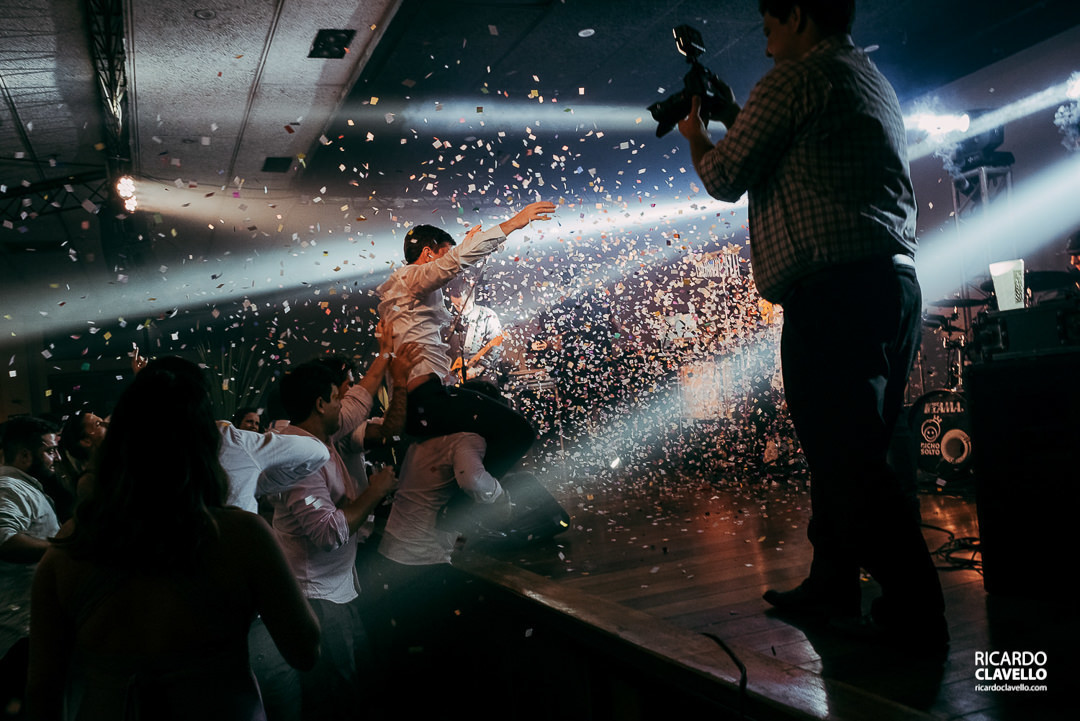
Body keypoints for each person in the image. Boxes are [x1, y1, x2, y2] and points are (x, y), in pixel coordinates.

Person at [677, 0, 946, 652]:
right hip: (889, 285)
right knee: (853, 452)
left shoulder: (793, 78)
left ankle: (916, 611)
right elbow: (796, 151)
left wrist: (696, 134)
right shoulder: (864, 78)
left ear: (797, 15)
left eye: (770, 28)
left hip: (833, 294)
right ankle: (832, 584)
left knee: (846, 460)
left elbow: (726, 176)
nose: (766, 44)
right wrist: (736, 114)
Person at [25, 357, 320, 721]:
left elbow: (42, 691)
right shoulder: (242, 534)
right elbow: (305, 650)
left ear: (117, 443)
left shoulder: (71, 546)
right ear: (206, 444)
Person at [375, 201, 555, 478]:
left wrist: (465, 246)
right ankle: (480, 496)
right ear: (428, 252)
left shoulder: (407, 292)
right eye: (444, 253)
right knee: (519, 432)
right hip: (426, 399)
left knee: (484, 424)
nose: (449, 264)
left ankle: (469, 489)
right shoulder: (410, 277)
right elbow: (452, 264)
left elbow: (452, 262)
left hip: (421, 398)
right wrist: (514, 223)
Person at [263, 361, 401, 720]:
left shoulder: (320, 436)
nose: (344, 404)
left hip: (337, 587)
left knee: (354, 676)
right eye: (337, 398)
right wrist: (374, 491)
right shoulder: (299, 457)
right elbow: (327, 533)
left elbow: (359, 402)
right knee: (335, 693)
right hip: (317, 598)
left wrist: (386, 356)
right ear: (320, 404)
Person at [1, 417, 62, 718]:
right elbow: (4, 540)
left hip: (27, 625)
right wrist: (66, 551)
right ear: (25, 455)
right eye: (49, 450)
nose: (57, 457)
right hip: (20, 629)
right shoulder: (10, 487)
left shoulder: (21, 486)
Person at [445, 279, 505, 384]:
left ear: (472, 297)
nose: (460, 309)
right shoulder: (452, 320)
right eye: (456, 305)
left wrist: (478, 369)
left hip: (483, 380)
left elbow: (495, 350)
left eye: (463, 304)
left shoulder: (488, 316)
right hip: (457, 380)